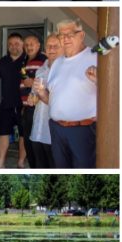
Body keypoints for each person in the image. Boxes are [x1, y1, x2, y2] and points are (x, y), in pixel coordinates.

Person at [42, 19, 98, 168]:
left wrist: (100, 81)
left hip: (82, 130)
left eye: (70, 34)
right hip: (57, 129)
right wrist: (41, 93)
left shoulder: (96, 57)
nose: (65, 38)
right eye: (61, 35)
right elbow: (53, 99)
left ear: (82, 35)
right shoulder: (57, 62)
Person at [0, 33, 26, 168]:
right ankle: (0, 163)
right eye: (10, 44)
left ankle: (21, 162)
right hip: (6, 104)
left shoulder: (27, 60)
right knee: (4, 132)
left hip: (24, 105)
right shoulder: (3, 61)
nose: (13, 46)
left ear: (22, 45)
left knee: (23, 134)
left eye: (16, 43)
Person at [28, 33, 60, 169]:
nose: (51, 49)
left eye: (55, 46)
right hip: (37, 130)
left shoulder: (63, 70)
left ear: (63, 48)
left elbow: (60, 103)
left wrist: (42, 93)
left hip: (52, 134)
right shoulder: (41, 69)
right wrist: (32, 98)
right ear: (45, 49)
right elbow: (35, 95)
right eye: (49, 46)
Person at [19, 36, 47, 167]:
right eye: (26, 44)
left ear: (38, 45)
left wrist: (32, 83)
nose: (29, 47)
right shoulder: (25, 59)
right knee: (28, 142)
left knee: (34, 143)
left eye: (32, 44)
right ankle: (33, 167)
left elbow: (46, 82)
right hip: (27, 107)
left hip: (37, 108)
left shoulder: (44, 60)